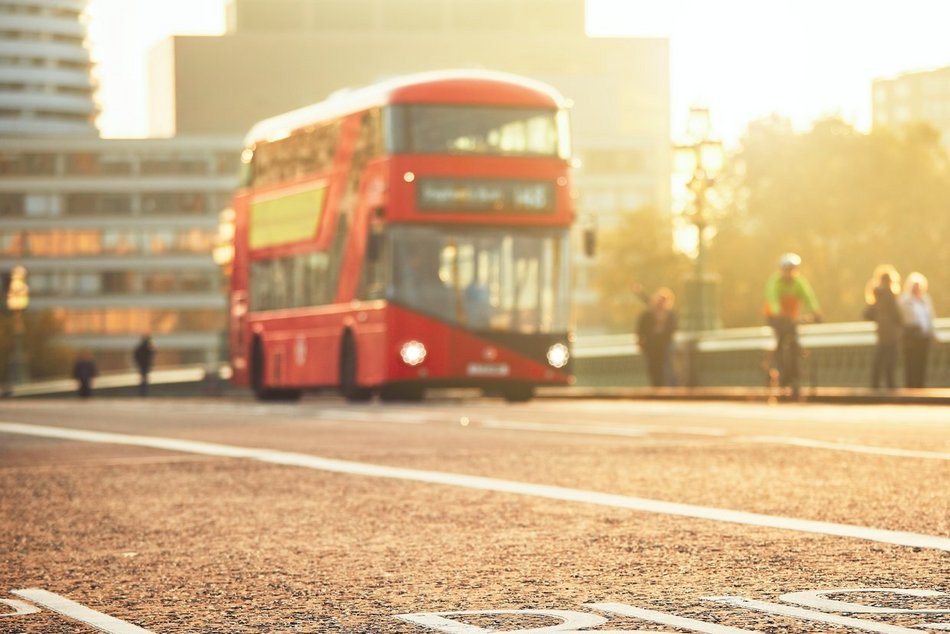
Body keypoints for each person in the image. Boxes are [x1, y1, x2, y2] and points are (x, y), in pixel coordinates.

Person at [763, 253, 822, 396]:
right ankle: (778, 365)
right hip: (775, 317)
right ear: (782, 270)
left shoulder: (799, 283)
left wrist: (816, 311)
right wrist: (778, 313)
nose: (790, 273)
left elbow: (809, 297)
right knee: (781, 339)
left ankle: (794, 376)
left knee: (795, 343)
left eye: (792, 270)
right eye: (787, 269)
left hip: (791, 318)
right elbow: (773, 299)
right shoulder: (775, 282)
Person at [864, 265, 903, 390]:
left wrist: (879, 319)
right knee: (890, 358)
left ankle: (875, 383)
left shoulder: (878, 294)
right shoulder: (889, 295)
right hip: (891, 331)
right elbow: (897, 314)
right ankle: (890, 384)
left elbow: (867, 313)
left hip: (882, 329)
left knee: (880, 356)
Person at [899, 272, 936, 388]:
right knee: (911, 363)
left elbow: (930, 317)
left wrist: (933, 333)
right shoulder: (905, 300)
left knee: (922, 363)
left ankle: (920, 386)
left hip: (924, 336)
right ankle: (910, 387)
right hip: (911, 336)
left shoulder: (925, 299)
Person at [636, 287, 678, 387]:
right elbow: (640, 329)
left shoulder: (670, 314)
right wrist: (640, 341)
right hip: (651, 345)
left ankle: (666, 386)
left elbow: (673, 329)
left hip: (664, 345)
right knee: (653, 367)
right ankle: (657, 386)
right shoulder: (648, 314)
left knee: (665, 366)